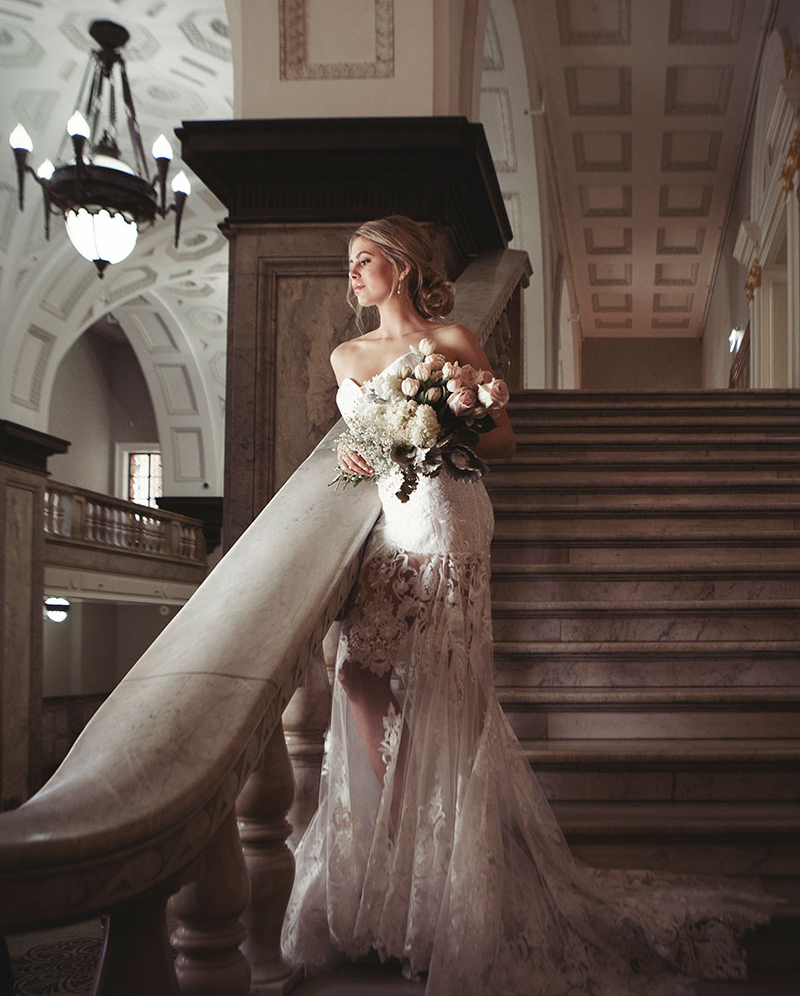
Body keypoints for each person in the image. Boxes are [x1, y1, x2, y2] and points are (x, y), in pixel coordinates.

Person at [281, 215, 776, 994]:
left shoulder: (450, 343)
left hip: (451, 516)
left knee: (444, 686)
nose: (353, 273)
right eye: (349, 262)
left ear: (402, 268)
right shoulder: (346, 354)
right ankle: (386, 829)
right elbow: (366, 445)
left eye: (366, 259)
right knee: (356, 673)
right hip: (388, 522)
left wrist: (447, 418)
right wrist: (360, 451)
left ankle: (415, 854)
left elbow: (504, 440)